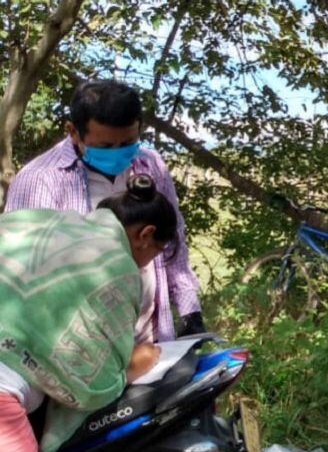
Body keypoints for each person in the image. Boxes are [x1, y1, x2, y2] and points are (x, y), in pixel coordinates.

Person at [0, 175, 176, 452]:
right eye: (155, 252)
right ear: (145, 235)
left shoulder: (36, 220)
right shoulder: (116, 269)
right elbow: (90, 382)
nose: (148, 262)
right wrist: (132, 364)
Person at [5, 79, 205, 342]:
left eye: (128, 143)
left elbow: (172, 239)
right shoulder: (41, 180)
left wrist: (190, 311)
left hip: (147, 338)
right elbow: (18, 276)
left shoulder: (150, 165)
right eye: (106, 147)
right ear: (73, 132)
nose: (119, 153)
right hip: (73, 347)